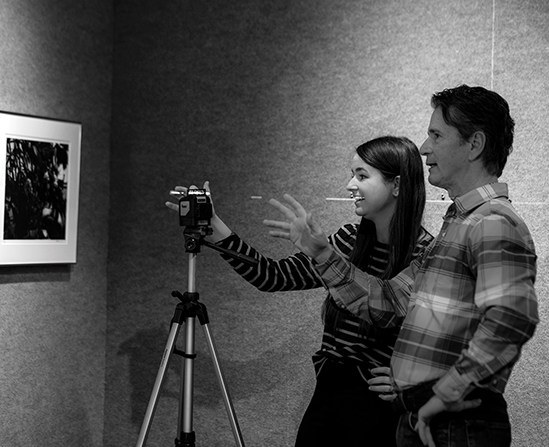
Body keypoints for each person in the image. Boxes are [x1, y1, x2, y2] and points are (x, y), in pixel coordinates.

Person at [264, 85, 539, 447]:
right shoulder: (459, 223)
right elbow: (389, 302)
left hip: (458, 424)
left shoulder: (492, 222)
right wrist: (320, 252)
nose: (424, 147)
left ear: (474, 145)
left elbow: (511, 321)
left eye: (436, 135)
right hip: (423, 419)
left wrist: (444, 392)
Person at [166, 136, 433, 447]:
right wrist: (216, 225)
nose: (350, 185)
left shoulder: (426, 254)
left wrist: (412, 380)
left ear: (397, 185)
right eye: (352, 174)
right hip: (329, 389)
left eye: (362, 176)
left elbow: (446, 337)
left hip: (376, 405)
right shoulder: (348, 239)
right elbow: (272, 276)